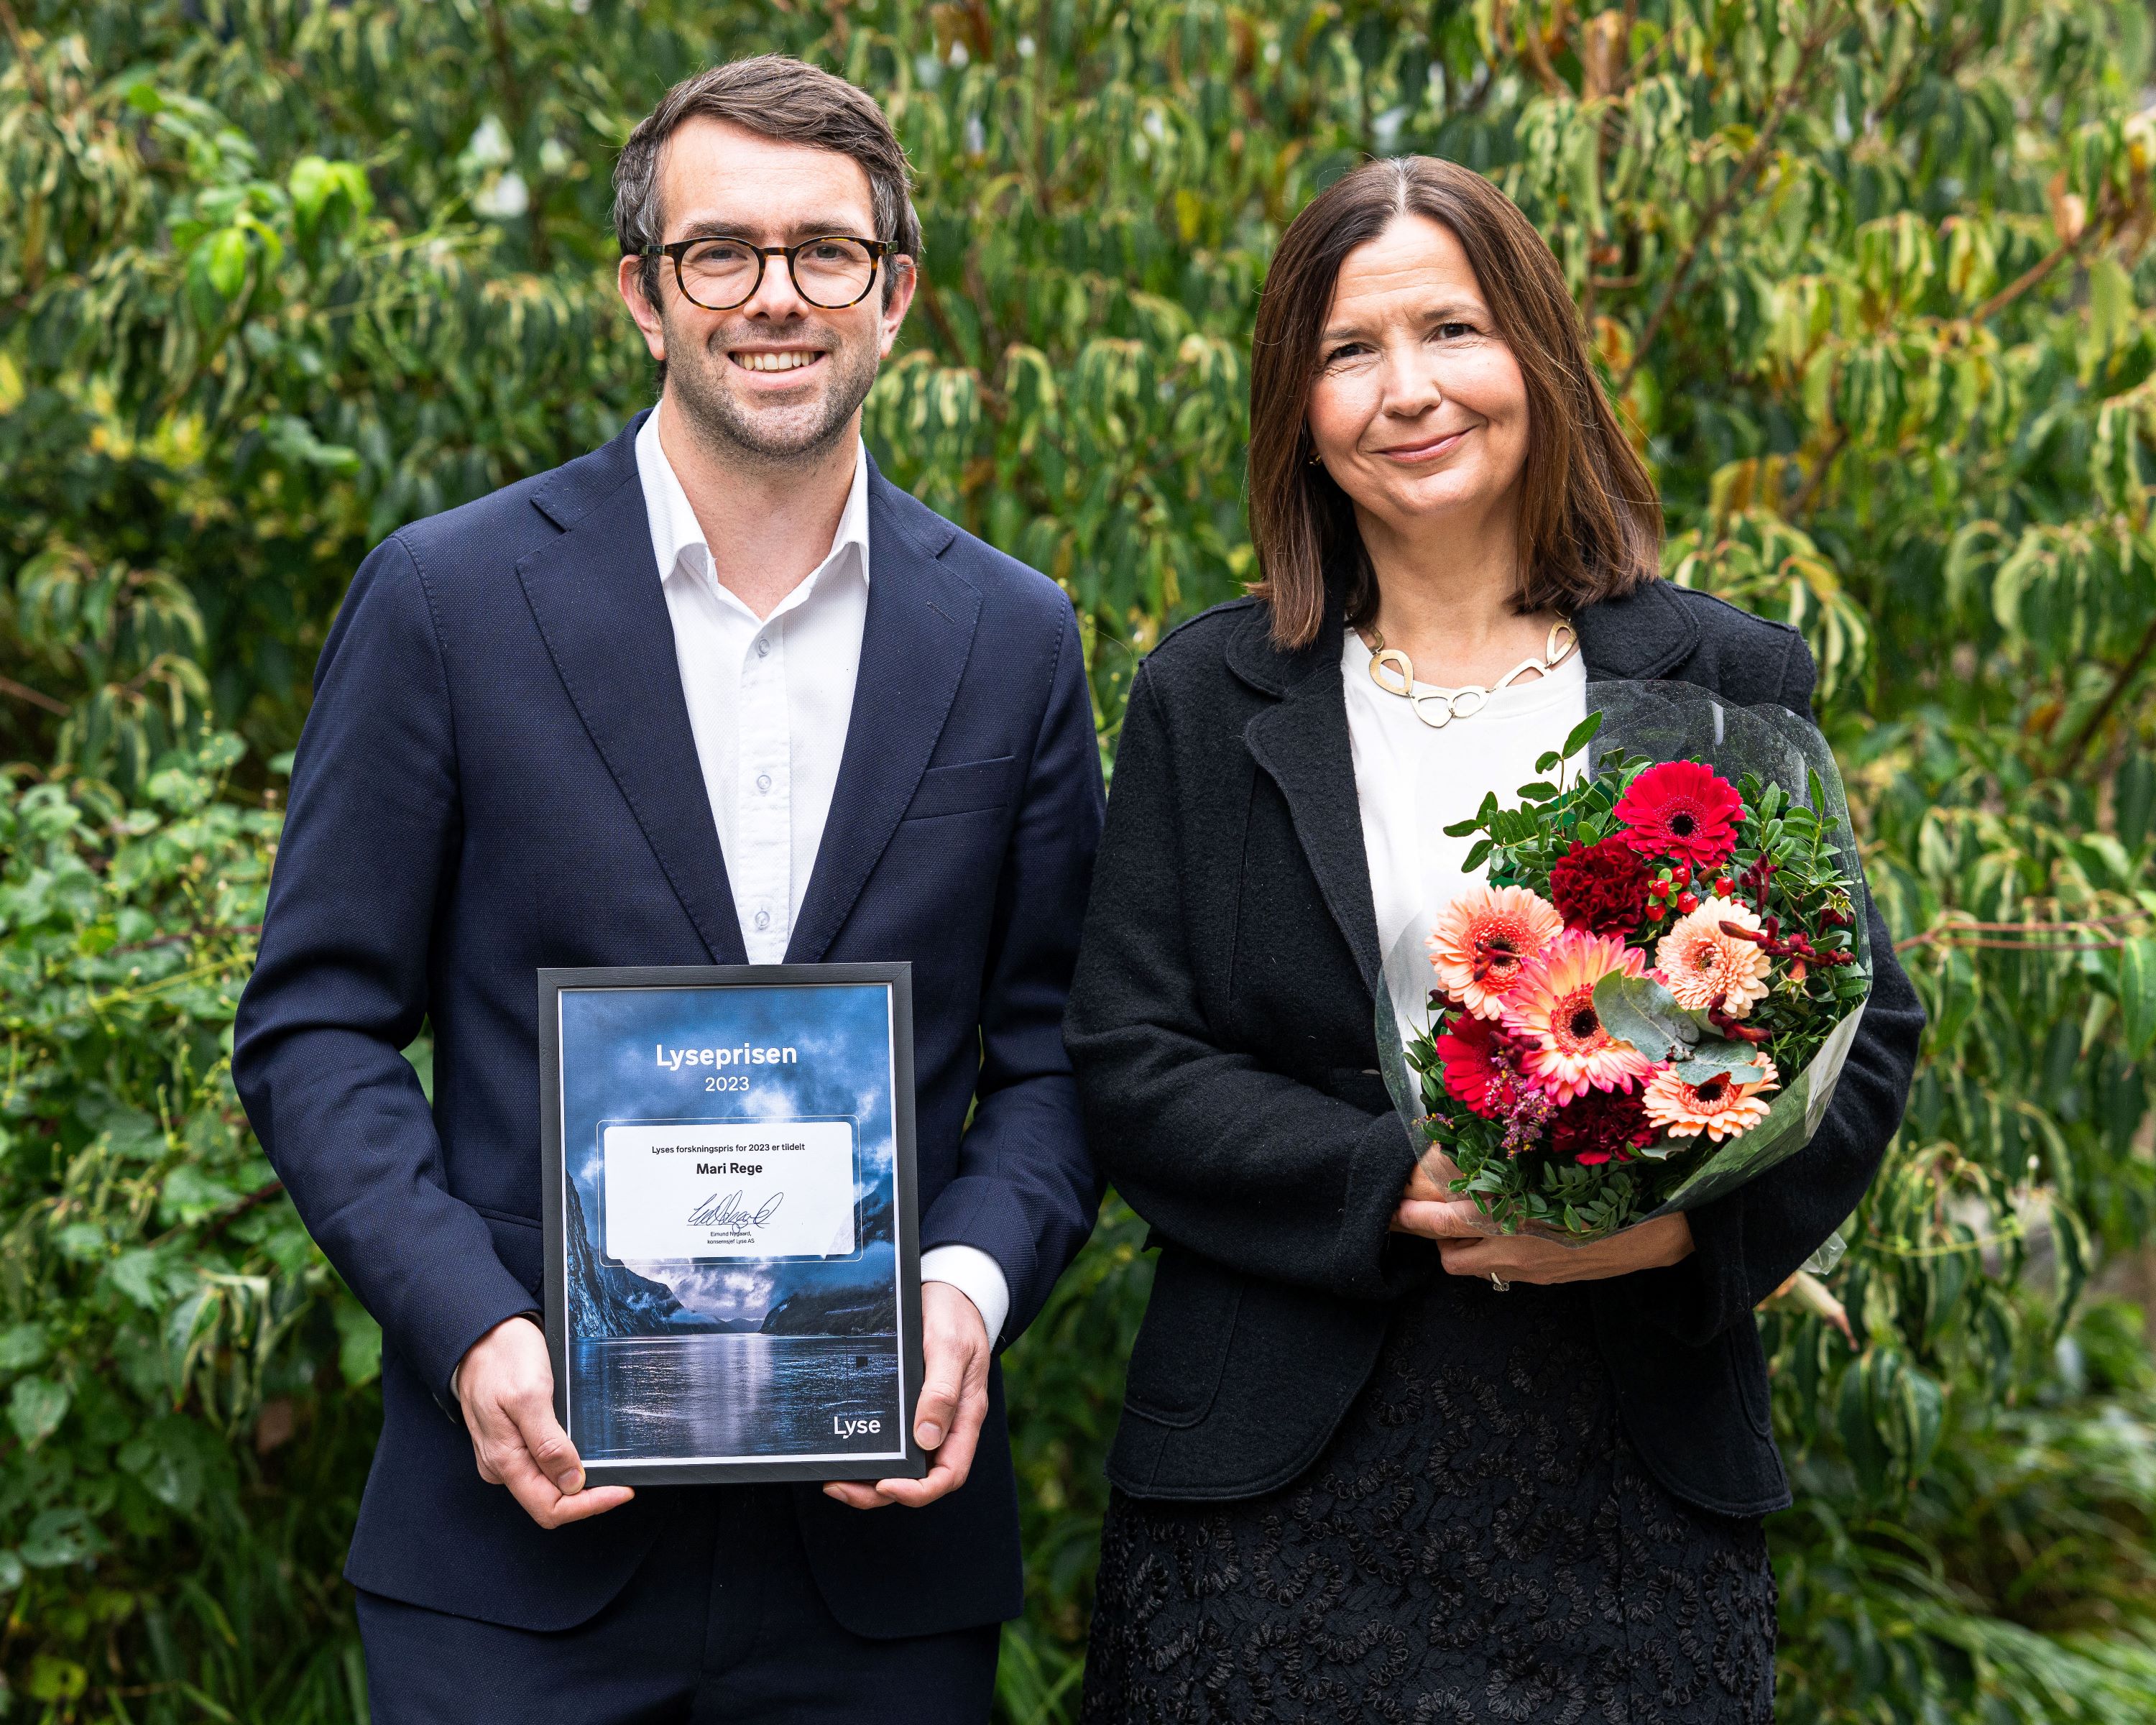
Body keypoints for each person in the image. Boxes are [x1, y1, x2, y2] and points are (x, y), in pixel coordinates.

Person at [233, 55, 1102, 1724]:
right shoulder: (446, 600)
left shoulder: (1010, 634)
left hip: (878, 1568)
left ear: (895, 293)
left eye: (825, 252)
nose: (775, 297)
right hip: (519, 1545)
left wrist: (968, 1286)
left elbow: (1063, 1050)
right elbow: (318, 1028)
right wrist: (473, 1326)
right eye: (722, 252)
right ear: (644, 294)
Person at [1064, 155, 1925, 1723]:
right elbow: (1131, 1052)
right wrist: (1395, 1182)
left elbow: (1864, 1037)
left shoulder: (1728, 676)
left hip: (1629, 1491)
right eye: (1347, 352)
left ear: (1533, 351)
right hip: (1270, 1500)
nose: (1408, 391)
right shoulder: (1209, 696)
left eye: (1451, 330)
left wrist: (1679, 1230)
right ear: (1298, 405)